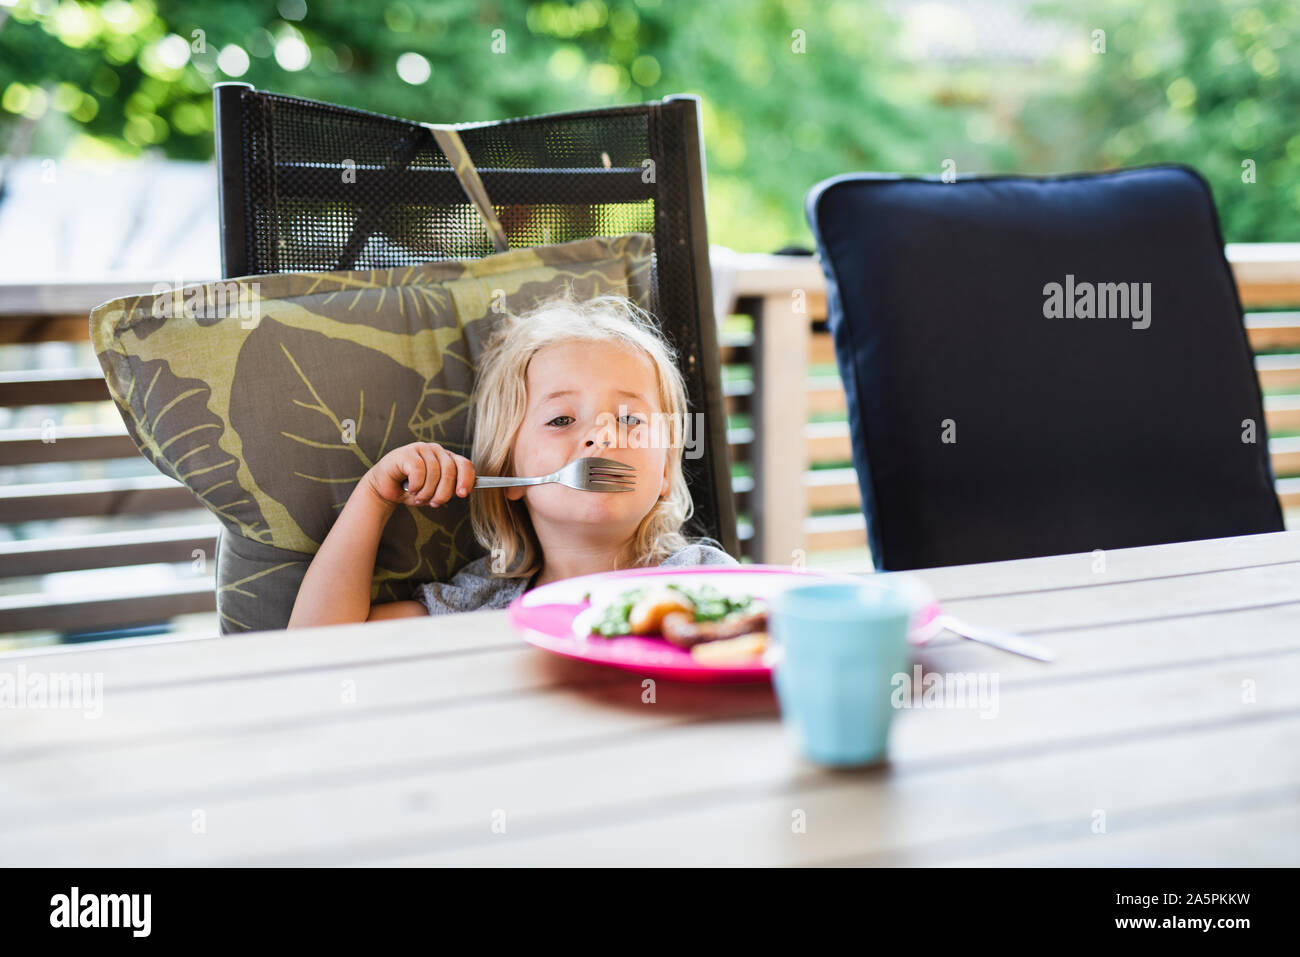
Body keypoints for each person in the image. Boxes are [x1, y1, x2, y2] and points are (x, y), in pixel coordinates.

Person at [287, 292, 736, 628]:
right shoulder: (480, 601)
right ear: (510, 473)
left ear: (663, 470)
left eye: (630, 418)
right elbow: (318, 646)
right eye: (561, 419)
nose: (602, 435)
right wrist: (374, 496)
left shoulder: (701, 579)